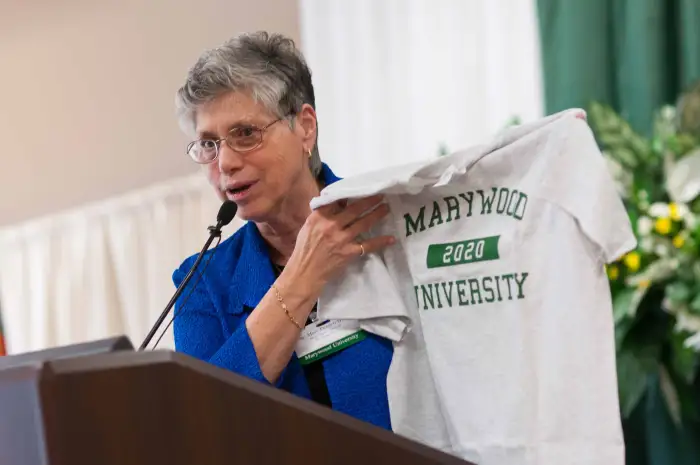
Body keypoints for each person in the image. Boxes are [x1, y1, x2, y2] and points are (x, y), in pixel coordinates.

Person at [171, 31, 396, 429]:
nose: (224, 163)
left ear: (305, 127)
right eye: (208, 144)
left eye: (245, 133)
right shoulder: (202, 283)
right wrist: (302, 275)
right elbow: (203, 421)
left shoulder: (392, 220)